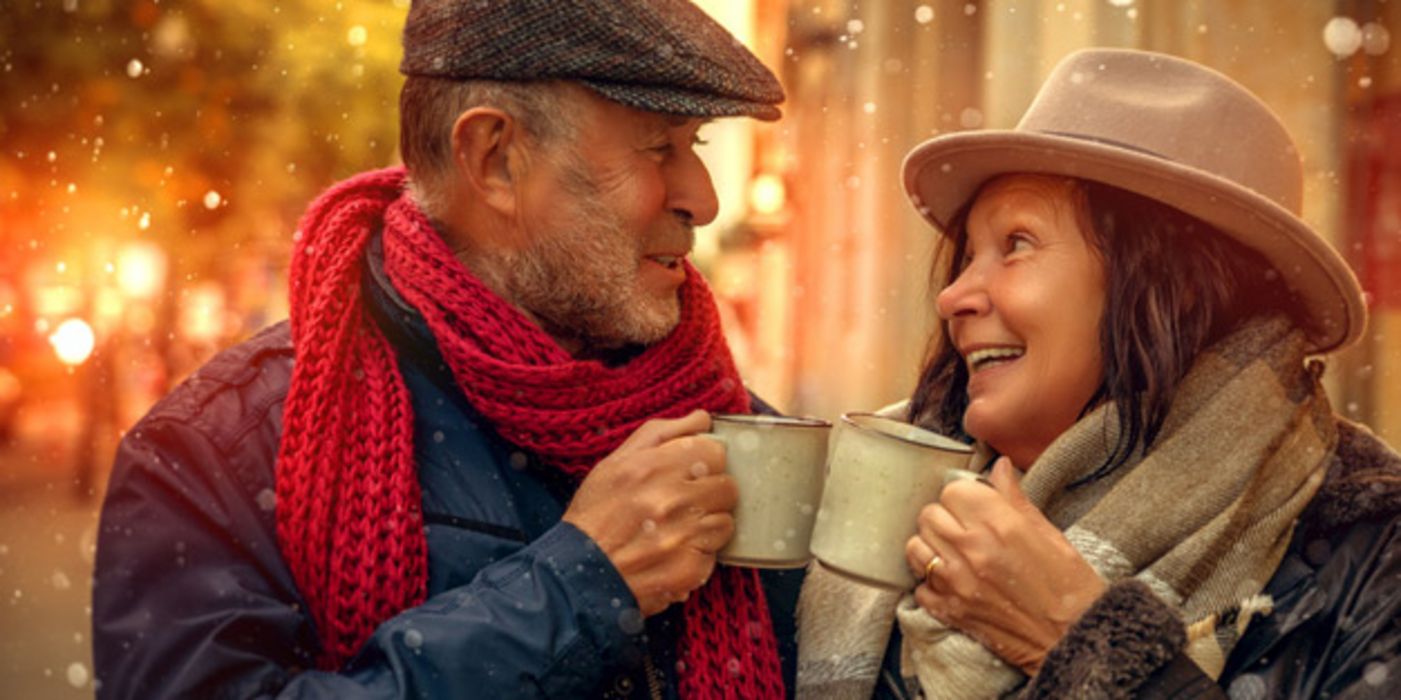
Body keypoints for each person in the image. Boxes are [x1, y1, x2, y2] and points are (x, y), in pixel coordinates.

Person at [92, 1, 803, 697]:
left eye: (696, 146)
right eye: (659, 147)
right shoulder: (212, 452)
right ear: (494, 159)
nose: (702, 200)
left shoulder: (746, 440)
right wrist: (577, 588)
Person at [796, 48, 1399, 698]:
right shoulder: (878, 499)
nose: (952, 297)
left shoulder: (1370, 554)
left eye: (1016, 244)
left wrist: (1078, 644)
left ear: (1177, 286)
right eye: (967, 256)